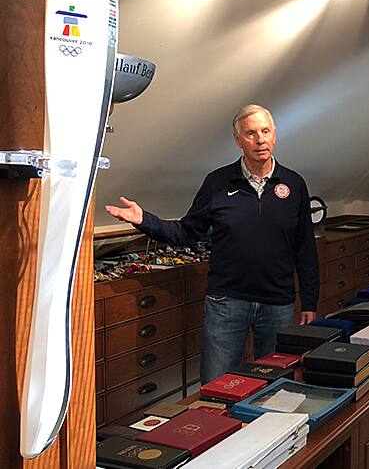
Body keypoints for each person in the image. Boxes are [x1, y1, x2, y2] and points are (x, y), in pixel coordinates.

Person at [105, 104, 319, 384]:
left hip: (278, 304)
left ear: (275, 135)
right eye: (251, 133)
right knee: (217, 387)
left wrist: (310, 301)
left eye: (265, 131)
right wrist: (145, 220)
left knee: (277, 386)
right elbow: (186, 232)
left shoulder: (294, 185)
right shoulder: (218, 182)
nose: (260, 140)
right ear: (238, 140)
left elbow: (305, 248)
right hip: (227, 302)